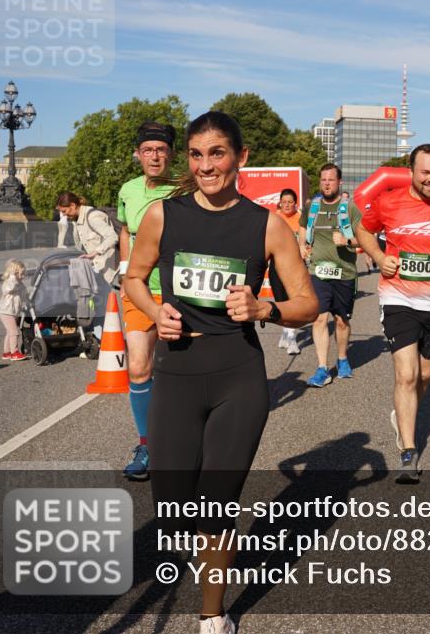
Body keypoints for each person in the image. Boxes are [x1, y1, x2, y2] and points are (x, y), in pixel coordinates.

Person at [124, 111, 318, 634]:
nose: (206, 165)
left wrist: (264, 310)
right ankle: (202, 551)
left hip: (237, 373)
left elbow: (307, 302)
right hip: (177, 371)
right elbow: (134, 278)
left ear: (240, 158)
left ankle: (213, 613)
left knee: (216, 502)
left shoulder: (266, 224)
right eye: (196, 154)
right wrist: (155, 309)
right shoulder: (164, 216)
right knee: (171, 506)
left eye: (217, 153)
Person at [355, 144, 430, 483]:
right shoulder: (388, 201)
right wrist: (381, 259)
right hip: (397, 297)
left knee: (424, 377)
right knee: (406, 375)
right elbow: (363, 229)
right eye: (425, 172)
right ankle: (408, 452)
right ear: (411, 171)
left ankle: (403, 414)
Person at [115, 121, 178, 481]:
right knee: (139, 367)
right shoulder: (128, 190)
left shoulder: (183, 190)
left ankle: (182, 439)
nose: (155, 156)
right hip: (139, 289)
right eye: (148, 150)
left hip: (176, 291)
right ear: (138, 154)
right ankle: (147, 445)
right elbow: (126, 229)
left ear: (170, 154)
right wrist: (125, 271)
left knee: (179, 371)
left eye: (161, 150)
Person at [298, 164, 363, 387]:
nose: (326, 183)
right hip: (318, 271)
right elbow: (302, 227)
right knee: (319, 317)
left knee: (341, 321)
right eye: (323, 179)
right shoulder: (311, 207)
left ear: (339, 182)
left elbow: (364, 238)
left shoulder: (350, 208)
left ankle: (343, 358)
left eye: (331, 180)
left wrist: (346, 241)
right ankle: (322, 368)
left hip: (344, 272)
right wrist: (302, 245)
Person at [55, 192, 119, 287]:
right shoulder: (77, 220)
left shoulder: (92, 217)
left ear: (72, 205)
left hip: (113, 274)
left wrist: (94, 252)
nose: (63, 215)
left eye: (64, 211)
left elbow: (112, 237)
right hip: (99, 273)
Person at [275, 188, 302, 356]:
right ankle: (285, 331)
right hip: (276, 267)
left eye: (290, 202)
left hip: (295, 267)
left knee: (293, 302)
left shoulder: (300, 220)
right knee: (280, 302)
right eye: (284, 202)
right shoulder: (274, 218)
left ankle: (292, 338)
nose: (286, 205)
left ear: (295, 203)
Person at [0, 259, 29, 361]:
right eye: (21, 273)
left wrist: (29, 300)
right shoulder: (8, 282)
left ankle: (6, 353)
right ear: (15, 273)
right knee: (14, 332)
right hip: (6, 312)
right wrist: (12, 277)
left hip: (13, 312)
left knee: (9, 332)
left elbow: (24, 294)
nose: (24, 276)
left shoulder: (20, 284)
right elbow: (9, 289)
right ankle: (14, 352)